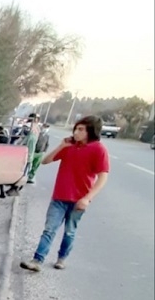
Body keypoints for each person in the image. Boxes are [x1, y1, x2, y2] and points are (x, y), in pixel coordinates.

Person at [20, 116, 110, 272]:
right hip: (59, 197)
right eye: (76, 128)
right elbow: (45, 161)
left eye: (81, 129)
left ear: (91, 131)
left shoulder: (98, 149)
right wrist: (61, 146)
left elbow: (103, 176)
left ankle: (62, 258)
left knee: (69, 231)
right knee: (49, 229)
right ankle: (37, 260)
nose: (76, 132)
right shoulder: (69, 147)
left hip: (79, 200)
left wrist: (87, 198)